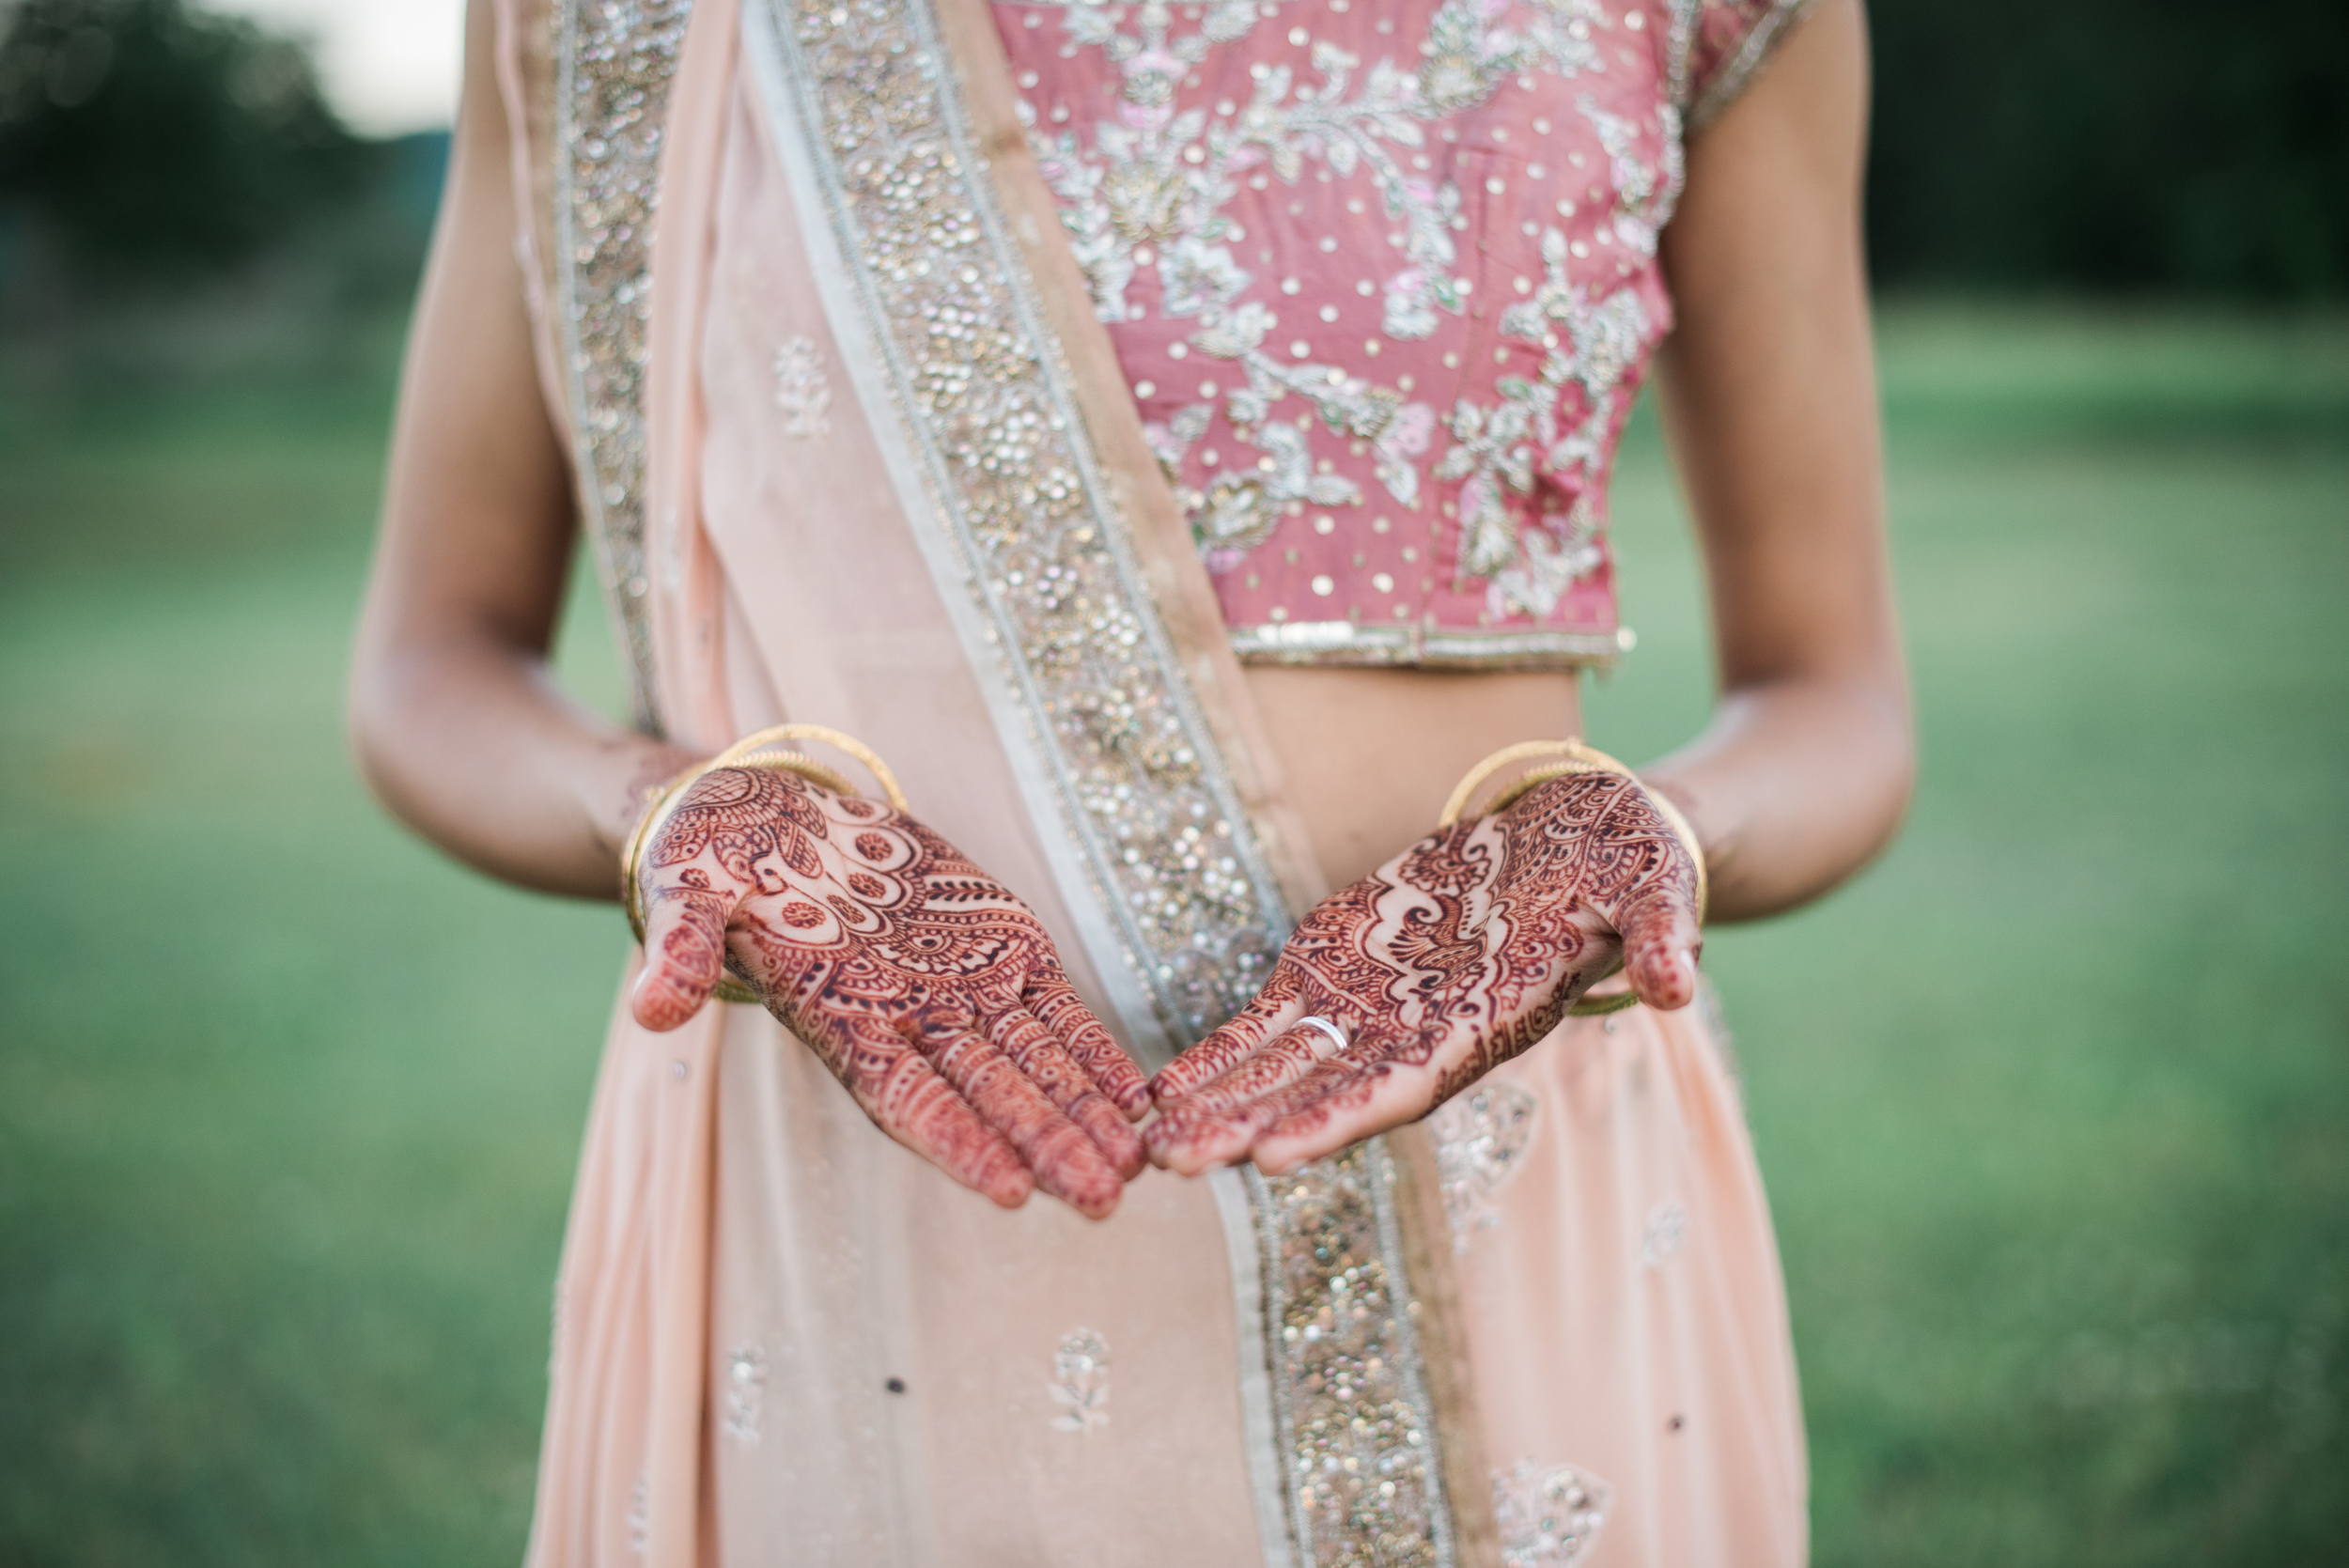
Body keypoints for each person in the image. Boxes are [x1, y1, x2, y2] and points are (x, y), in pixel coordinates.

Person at [349, 0, 1910, 1559]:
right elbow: (432, 666)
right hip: (867, 1251)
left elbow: (1834, 701)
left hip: (1514, 1215)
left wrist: (1638, 839)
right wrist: (686, 821)